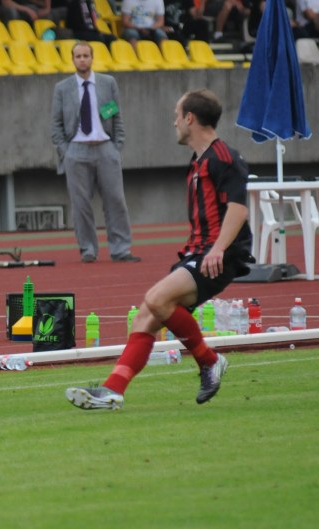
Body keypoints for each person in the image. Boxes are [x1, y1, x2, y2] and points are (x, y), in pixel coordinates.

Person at [66, 89, 253, 410]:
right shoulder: (200, 160)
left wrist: (218, 249)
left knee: (155, 299)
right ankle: (113, 391)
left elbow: (239, 208)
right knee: (144, 318)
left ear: (190, 118)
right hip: (199, 254)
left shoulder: (224, 157)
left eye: (177, 115)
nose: (174, 122)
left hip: (219, 256)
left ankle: (209, 361)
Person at [50, 42, 139, 263]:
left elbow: (116, 116)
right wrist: (65, 151)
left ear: (92, 57)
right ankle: (88, 249)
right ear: (72, 59)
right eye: (78, 56)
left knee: (116, 200)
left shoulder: (108, 83)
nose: (82, 59)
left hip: (105, 147)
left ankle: (120, 249)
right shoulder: (62, 88)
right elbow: (56, 124)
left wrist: (116, 146)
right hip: (76, 150)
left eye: (86, 55)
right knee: (81, 204)